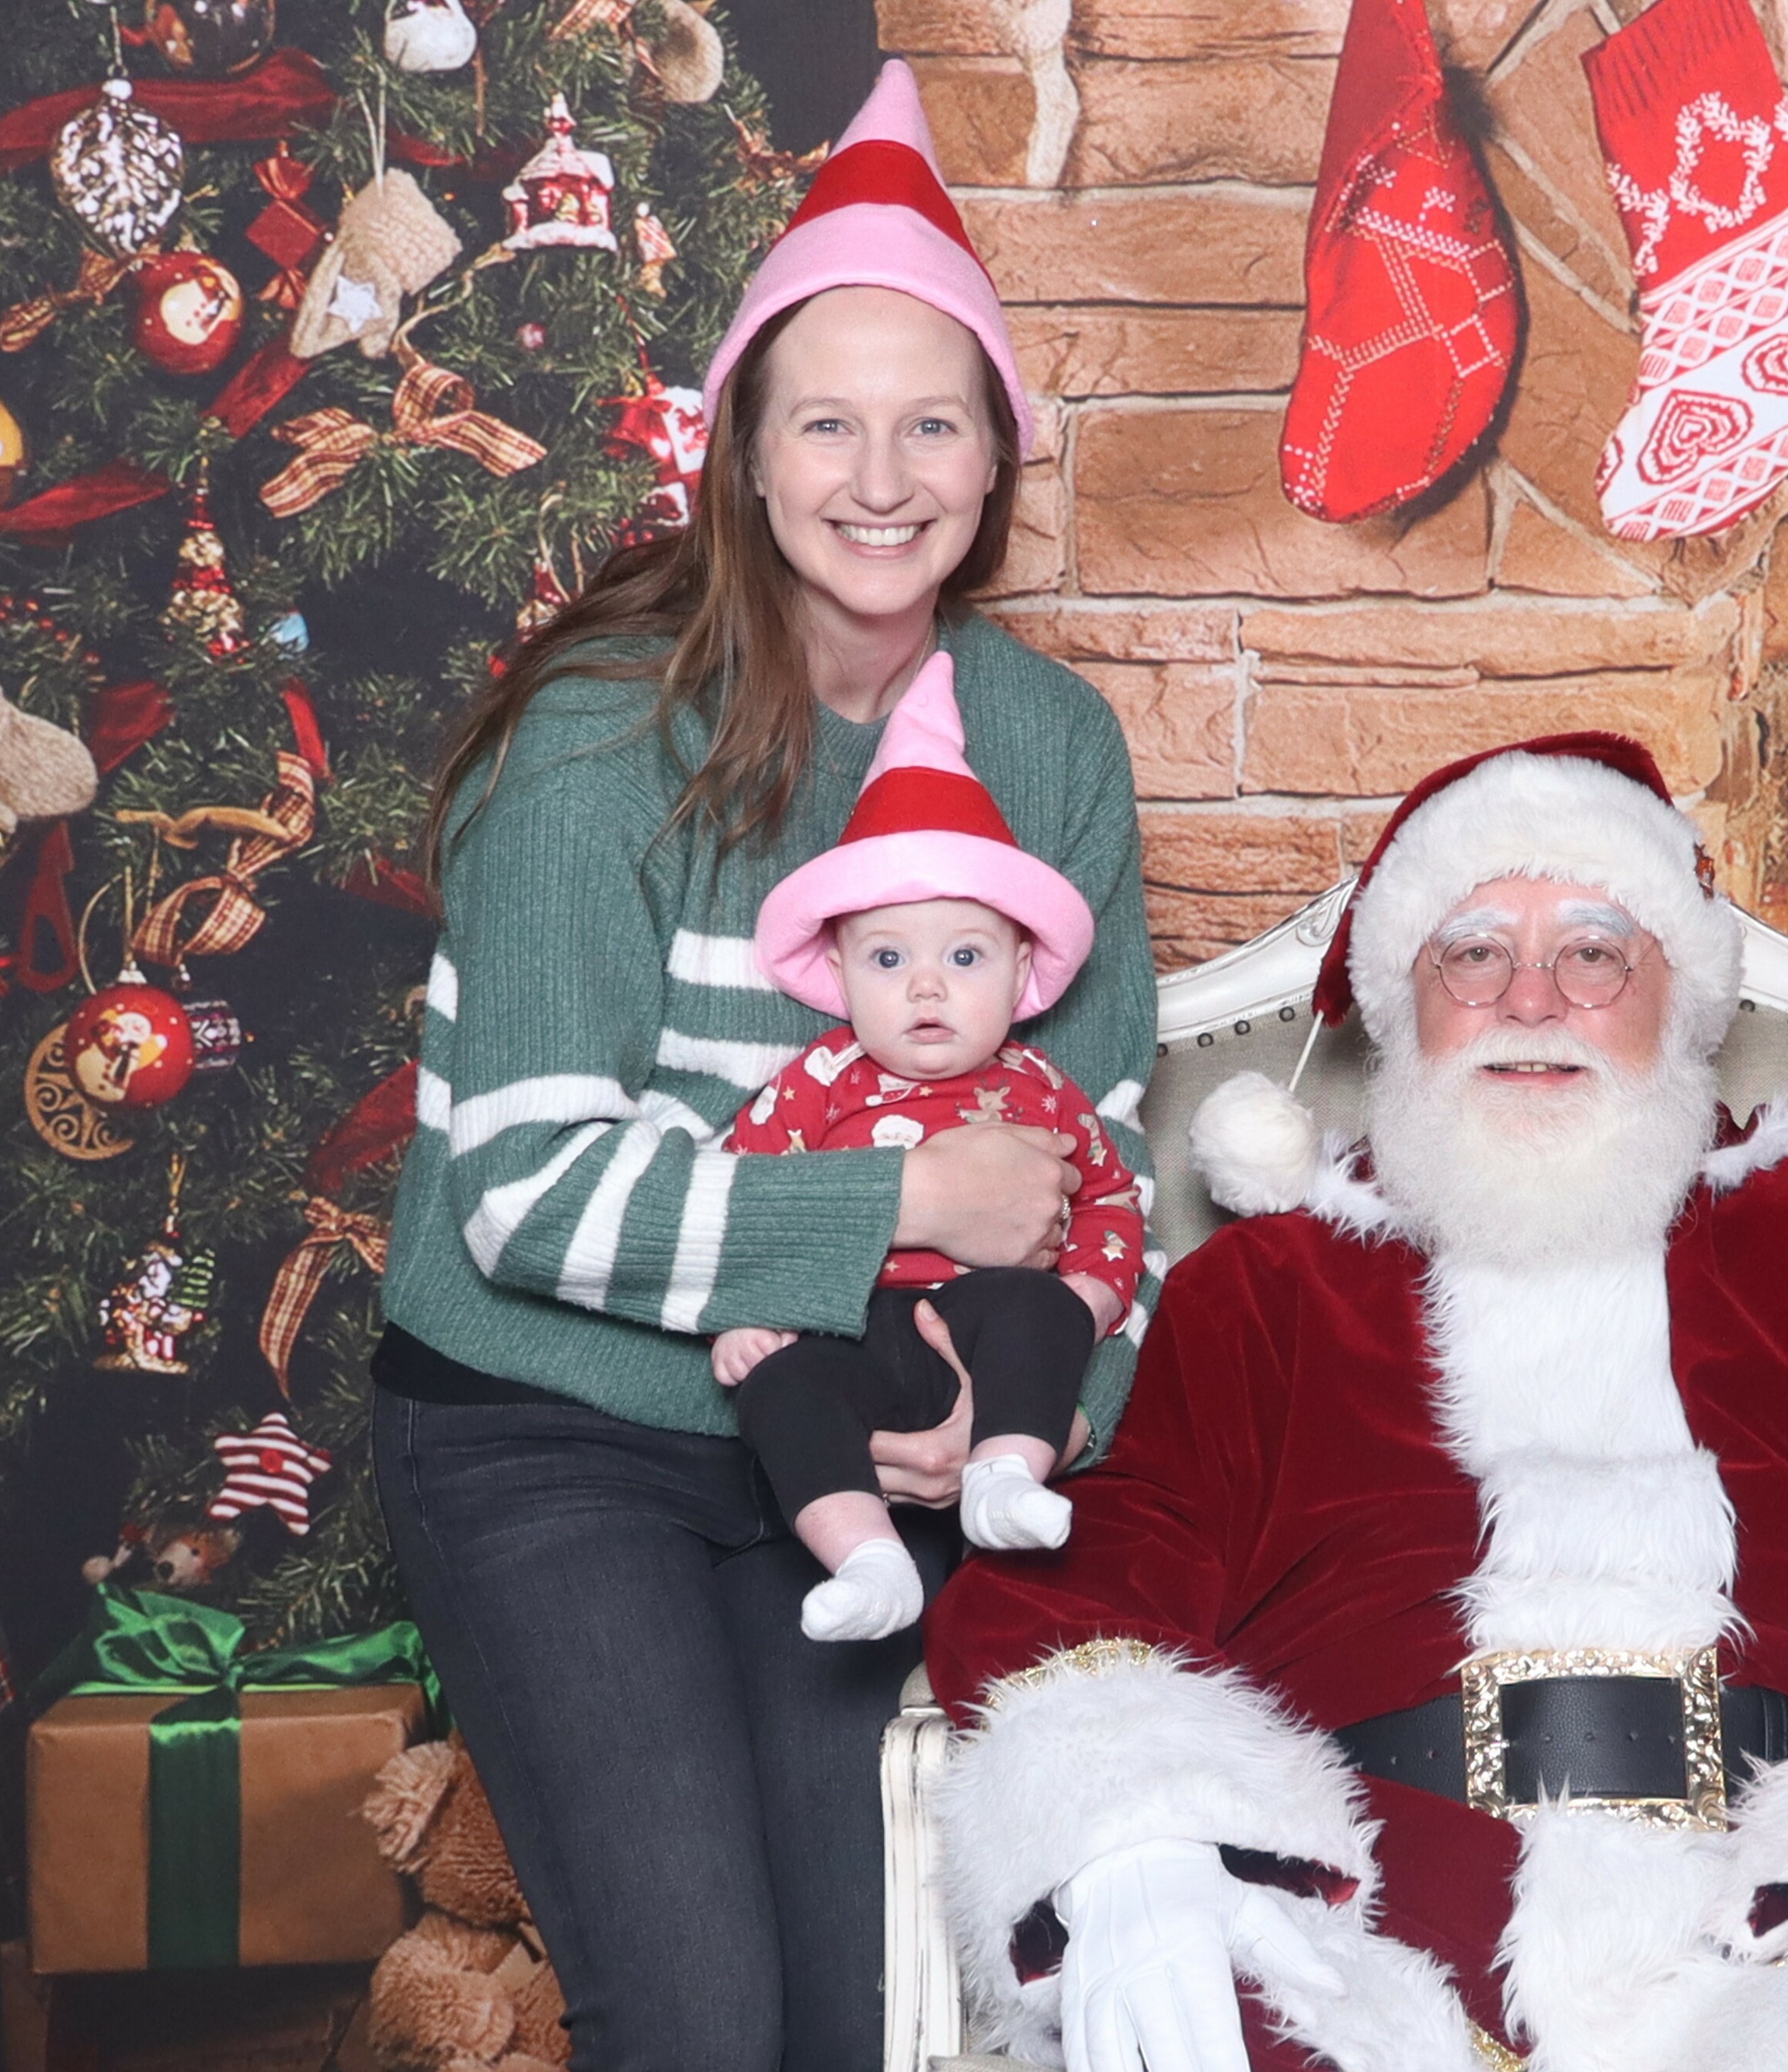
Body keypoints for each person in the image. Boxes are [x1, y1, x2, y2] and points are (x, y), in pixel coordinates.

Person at [924, 735, 1788, 2072]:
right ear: (1405, 1007)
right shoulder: (1270, 1285)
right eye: (1471, 954)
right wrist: (1134, 1846)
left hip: (1782, 1941)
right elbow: (1118, 1541)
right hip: (1371, 1932)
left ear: (1678, 997)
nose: (1530, 998)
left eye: (1593, 952)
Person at [370, 63, 1157, 2072]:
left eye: (931, 421)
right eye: (826, 421)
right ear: (741, 451)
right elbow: (523, 1196)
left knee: (870, 2006)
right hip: (551, 1420)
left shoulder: (1051, 750)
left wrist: (1026, 1403)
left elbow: (1101, 1166)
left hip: (848, 1445)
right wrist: (908, 1204)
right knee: (703, 2015)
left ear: (997, 453)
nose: (880, 477)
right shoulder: (596, 736)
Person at [713, 653, 1150, 1640]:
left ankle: (1006, 1476)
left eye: (963, 956)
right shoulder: (820, 1080)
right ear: (837, 972)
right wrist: (748, 1315)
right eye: (887, 957)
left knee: (1040, 1309)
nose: (926, 988)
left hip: (987, 1328)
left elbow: (1110, 1198)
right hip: (845, 1330)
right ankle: (866, 1561)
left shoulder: (1041, 1088)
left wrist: (1091, 1293)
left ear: (1020, 971)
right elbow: (744, 1194)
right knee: (779, 1390)